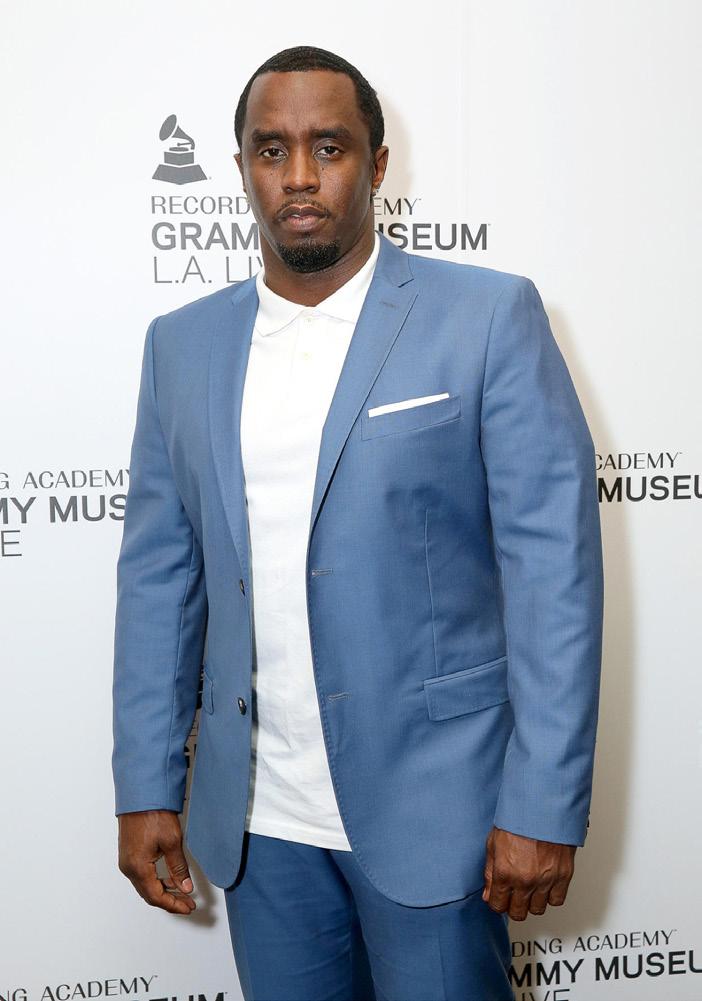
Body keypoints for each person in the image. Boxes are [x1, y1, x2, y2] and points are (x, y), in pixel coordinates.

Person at [112, 44, 604, 1001]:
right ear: (243, 166)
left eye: (328, 147)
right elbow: (159, 580)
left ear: (377, 165)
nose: (299, 175)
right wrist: (145, 782)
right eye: (272, 149)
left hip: (442, 812)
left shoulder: (488, 317)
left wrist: (543, 800)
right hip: (260, 825)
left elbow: (555, 577)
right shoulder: (181, 347)